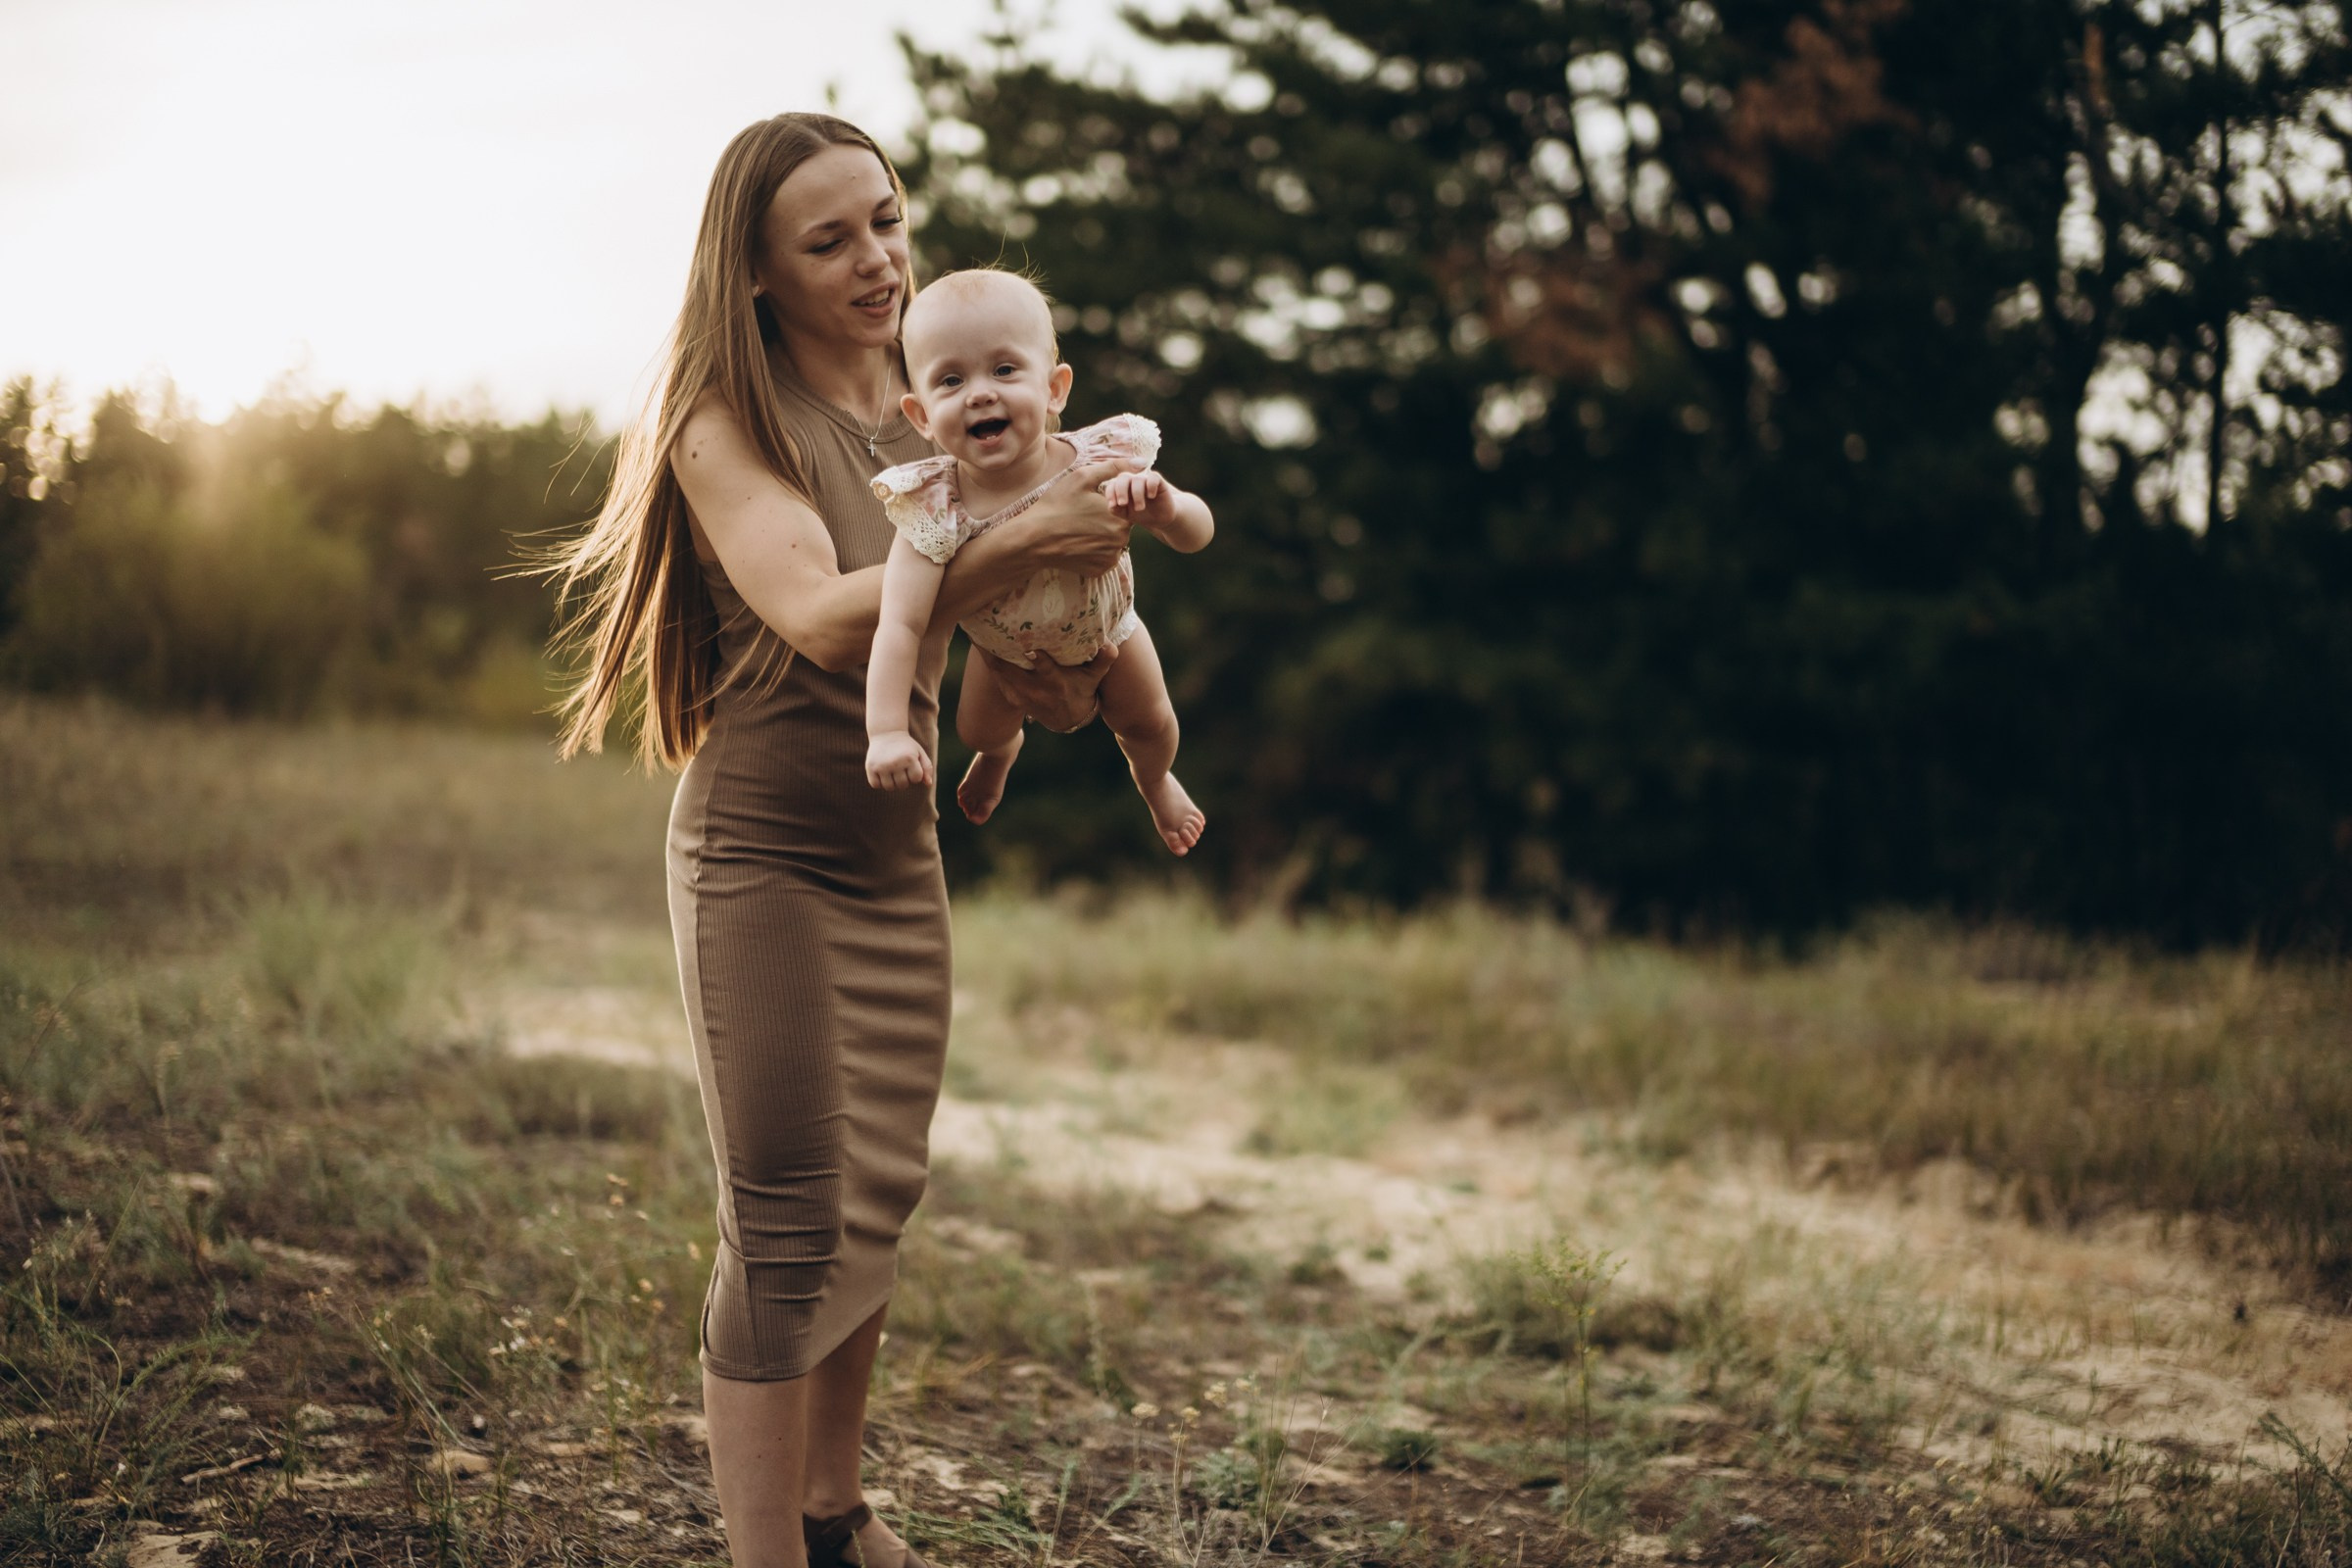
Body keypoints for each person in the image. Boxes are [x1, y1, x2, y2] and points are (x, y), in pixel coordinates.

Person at [547, 113, 1137, 1568]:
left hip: (894, 855)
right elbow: (818, 613)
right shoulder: (717, 421)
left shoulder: (939, 392)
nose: (879, 259)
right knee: (789, 1218)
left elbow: (1026, 620)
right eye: (831, 241)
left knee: (876, 1196)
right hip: (761, 857)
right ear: (755, 274)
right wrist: (1034, 541)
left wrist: (1068, 657)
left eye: (885, 217)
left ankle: (834, 1511)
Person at [862, 270, 1214, 856]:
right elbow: (899, 624)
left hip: (1111, 630)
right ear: (921, 416)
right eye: (950, 380)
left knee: (1151, 725)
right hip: (1001, 649)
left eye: (1004, 370)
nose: (980, 392)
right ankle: (1000, 754)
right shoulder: (935, 507)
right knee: (977, 730)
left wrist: (1169, 508)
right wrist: (886, 732)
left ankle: (1153, 782)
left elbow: (1198, 535)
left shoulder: (1099, 462)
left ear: (1055, 389)